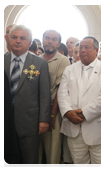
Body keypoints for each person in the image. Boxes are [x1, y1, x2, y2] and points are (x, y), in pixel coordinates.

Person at [58, 36, 101, 167]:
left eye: (87, 47)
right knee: (79, 165)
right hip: (73, 128)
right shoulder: (69, 69)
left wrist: (83, 114)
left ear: (96, 50)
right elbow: (62, 94)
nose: (82, 50)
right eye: (81, 48)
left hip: (97, 128)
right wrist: (68, 112)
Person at [4, 25, 51, 167]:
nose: (18, 41)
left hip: (29, 122)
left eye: (22, 38)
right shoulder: (2, 60)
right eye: (15, 37)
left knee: (29, 161)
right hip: (5, 121)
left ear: (29, 42)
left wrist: (44, 119)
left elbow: (44, 94)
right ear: (9, 39)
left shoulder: (39, 63)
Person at [38, 30, 70, 167]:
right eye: (47, 38)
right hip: (35, 110)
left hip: (53, 111)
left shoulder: (63, 60)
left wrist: (51, 114)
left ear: (58, 44)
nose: (50, 41)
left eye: (54, 39)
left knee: (53, 151)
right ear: (43, 40)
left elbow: (60, 89)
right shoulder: (36, 58)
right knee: (35, 151)